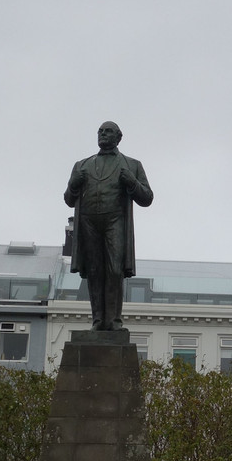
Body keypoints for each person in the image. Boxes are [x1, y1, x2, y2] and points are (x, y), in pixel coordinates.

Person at [64, 121, 153, 330]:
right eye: (100, 131)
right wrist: (73, 183)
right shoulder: (82, 165)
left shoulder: (132, 165)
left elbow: (147, 198)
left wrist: (131, 181)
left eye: (108, 131)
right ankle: (97, 320)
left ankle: (113, 320)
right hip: (88, 221)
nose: (103, 134)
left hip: (115, 220)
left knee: (114, 270)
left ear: (118, 137)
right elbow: (69, 199)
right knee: (94, 271)